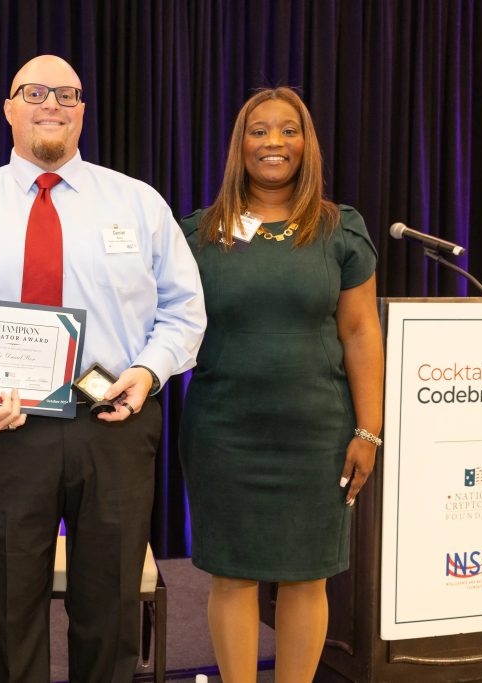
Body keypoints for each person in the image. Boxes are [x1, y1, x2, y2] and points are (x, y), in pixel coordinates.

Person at [0, 55, 206, 682]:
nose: (51, 104)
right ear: (8, 108)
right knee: (10, 606)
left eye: (67, 94)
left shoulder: (139, 203)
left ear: (82, 111)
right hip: (4, 430)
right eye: (35, 92)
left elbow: (185, 311)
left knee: (112, 609)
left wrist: (149, 372)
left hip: (114, 424)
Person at [179, 87, 384, 683]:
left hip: (316, 433)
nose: (274, 142)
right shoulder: (198, 233)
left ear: (306, 144)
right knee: (232, 575)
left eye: (288, 130)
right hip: (223, 431)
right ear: (240, 145)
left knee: (307, 576)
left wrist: (369, 430)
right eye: (259, 130)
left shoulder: (339, 230)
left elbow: (361, 331)